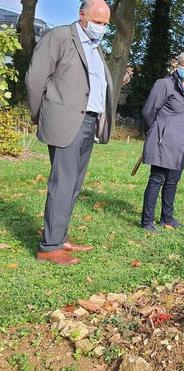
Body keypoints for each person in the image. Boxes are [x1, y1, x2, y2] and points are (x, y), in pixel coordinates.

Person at [25, 0, 113, 266]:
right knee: (62, 183)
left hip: (88, 122)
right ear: (82, 15)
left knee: (73, 184)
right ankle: (49, 247)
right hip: (66, 120)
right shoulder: (60, 36)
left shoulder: (96, 49)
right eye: (98, 22)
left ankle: (60, 235)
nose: (102, 28)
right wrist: (42, 114)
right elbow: (35, 78)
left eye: (106, 24)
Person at [140, 51, 184, 232]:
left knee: (172, 182)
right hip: (163, 141)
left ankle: (167, 218)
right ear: (178, 65)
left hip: (183, 144)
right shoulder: (165, 84)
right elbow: (148, 112)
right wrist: (155, 132)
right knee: (157, 179)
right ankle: (147, 222)